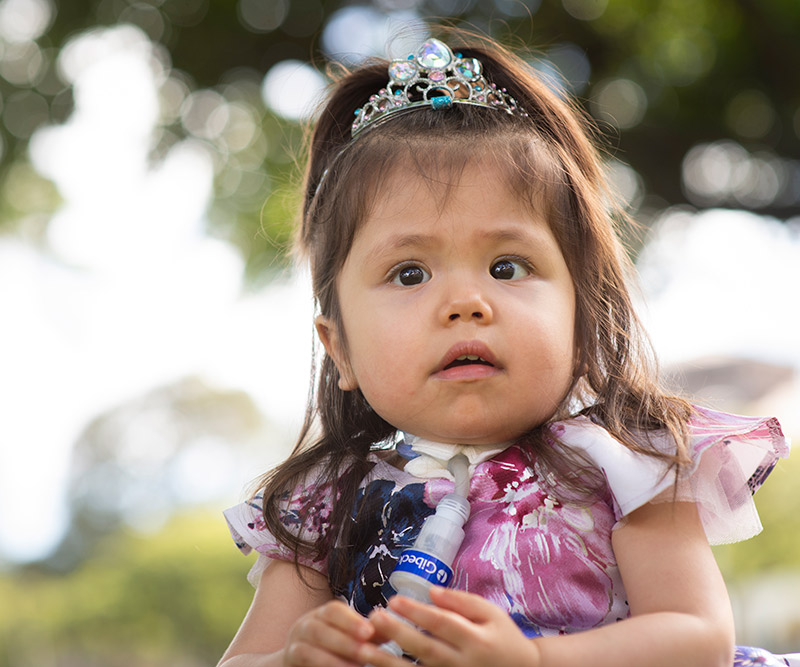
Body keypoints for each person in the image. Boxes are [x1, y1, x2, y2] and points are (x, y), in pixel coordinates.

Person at [218, 32, 796, 667]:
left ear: (583, 314)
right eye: (410, 274)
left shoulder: (621, 463)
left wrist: (537, 662)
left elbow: (696, 636)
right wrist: (293, 660)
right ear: (341, 349)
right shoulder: (325, 506)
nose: (466, 303)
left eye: (507, 266)